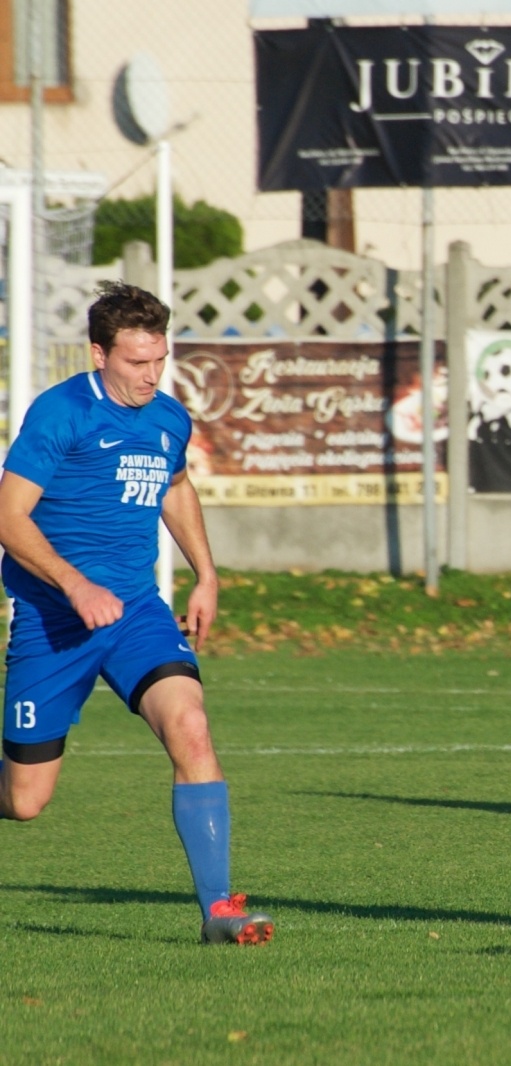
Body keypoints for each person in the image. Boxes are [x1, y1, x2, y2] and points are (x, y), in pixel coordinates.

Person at [0, 282, 273, 944]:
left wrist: (205, 574)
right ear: (99, 354)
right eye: (135, 362)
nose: (150, 376)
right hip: (53, 620)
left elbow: (175, 487)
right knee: (26, 802)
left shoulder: (168, 418)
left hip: (136, 615)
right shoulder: (60, 414)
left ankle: (219, 912)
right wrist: (73, 585)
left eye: (159, 360)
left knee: (192, 726)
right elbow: (9, 518)